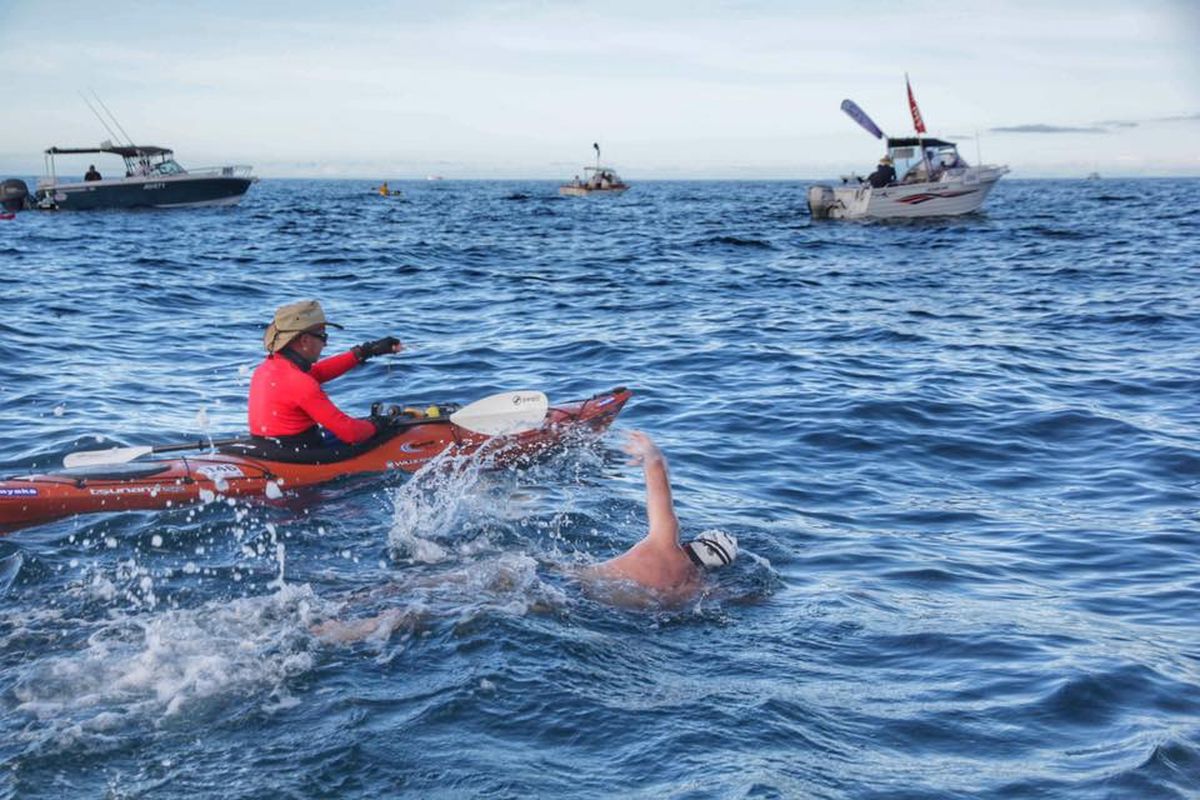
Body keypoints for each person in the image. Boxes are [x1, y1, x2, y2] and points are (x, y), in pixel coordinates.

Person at [580, 431, 738, 604]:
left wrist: (651, 452)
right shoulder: (695, 590)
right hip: (623, 609)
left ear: (694, 543)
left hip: (577, 586)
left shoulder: (665, 542)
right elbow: (738, 598)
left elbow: (657, 470)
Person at [248, 299, 403, 450]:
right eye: (323, 336)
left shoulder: (266, 369)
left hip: (272, 447)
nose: (326, 344)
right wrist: (379, 424)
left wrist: (366, 351)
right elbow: (351, 433)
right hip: (304, 456)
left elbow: (318, 372)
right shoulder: (300, 383)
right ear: (304, 340)